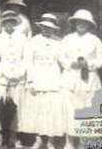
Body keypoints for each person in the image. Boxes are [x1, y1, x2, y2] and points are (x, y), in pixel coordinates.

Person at [60, 9, 102, 149]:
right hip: (71, 78)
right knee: (69, 110)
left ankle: (82, 141)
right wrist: (70, 64)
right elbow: (61, 56)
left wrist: (89, 64)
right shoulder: (67, 39)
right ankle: (69, 141)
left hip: (89, 80)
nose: (81, 25)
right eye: (79, 22)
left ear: (89, 25)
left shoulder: (95, 40)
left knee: (86, 110)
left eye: (85, 22)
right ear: (74, 23)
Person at [23, 13, 64, 149]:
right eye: (45, 27)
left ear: (54, 29)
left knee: (52, 110)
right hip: (38, 75)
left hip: (53, 76)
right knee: (38, 110)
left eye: (50, 28)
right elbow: (28, 62)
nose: (47, 30)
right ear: (40, 27)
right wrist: (30, 81)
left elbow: (63, 61)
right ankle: (39, 139)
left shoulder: (59, 41)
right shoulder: (33, 41)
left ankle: (51, 140)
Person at [0, 10, 28, 149]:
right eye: (6, 22)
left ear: (15, 23)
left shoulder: (22, 38)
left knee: (17, 105)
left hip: (18, 75)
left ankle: (14, 136)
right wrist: (3, 71)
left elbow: (27, 58)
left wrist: (19, 72)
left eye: (11, 21)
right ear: (3, 24)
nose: (9, 24)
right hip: (2, 76)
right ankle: (0, 134)